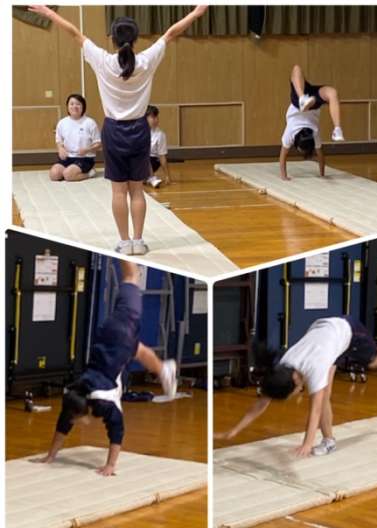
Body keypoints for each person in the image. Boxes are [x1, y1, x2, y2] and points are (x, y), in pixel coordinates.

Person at [29, 5, 208, 256]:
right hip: (139, 130)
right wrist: (197, 12)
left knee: (118, 191)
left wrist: (49, 13)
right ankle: (139, 241)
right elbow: (171, 33)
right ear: (135, 39)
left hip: (114, 131)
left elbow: (75, 34)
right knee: (137, 190)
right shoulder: (146, 60)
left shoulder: (103, 60)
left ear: (112, 38)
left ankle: (124, 243)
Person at [39, 260, 177, 476]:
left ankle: (164, 370)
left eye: (77, 418)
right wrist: (51, 456)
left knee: (132, 277)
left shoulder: (103, 401)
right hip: (107, 335)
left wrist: (110, 465)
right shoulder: (74, 393)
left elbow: (117, 429)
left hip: (122, 337)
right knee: (129, 284)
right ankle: (163, 370)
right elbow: (63, 424)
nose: (75, 422)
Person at [215, 316, 377, 458]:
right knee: (325, 393)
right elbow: (261, 403)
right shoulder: (283, 367)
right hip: (325, 337)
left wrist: (307, 443)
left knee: (374, 360)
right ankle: (329, 441)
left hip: (349, 332)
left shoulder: (314, 369)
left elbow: (315, 410)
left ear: (295, 383)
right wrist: (234, 430)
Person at [279, 65, 345, 181]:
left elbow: (320, 155)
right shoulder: (293, 134)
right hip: (311, 102)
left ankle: (302, 98)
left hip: (302, 104)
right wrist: (322, 175)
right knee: (332, 92)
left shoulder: (313, 134)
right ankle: (337, 128)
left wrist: (284, 177)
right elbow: (283, 157)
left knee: (296, 69)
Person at [49, 93, 101, 182]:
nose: (74, 107)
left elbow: (98, 143)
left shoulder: (90, 122)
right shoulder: (62, 122)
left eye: (78, 104)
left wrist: (87, 150)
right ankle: (70, 172)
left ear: (83, 107)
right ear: (67, 107)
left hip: (85, 158)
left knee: (68, 175)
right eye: (72, 104)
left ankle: (89, 173)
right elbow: (59, 140)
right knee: (54, 174)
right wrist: (60, 149)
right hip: (68, 157)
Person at [145, 105, 171, 188]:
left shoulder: (160, 134)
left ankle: (152, 178)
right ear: (145, 118)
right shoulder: (138, 131)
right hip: (139, 161)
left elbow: (162, 156)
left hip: (152, 160)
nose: (156, 120)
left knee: (143, 154)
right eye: (153, 117)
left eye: (156, 117)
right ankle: (146, 178)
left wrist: (167, 176)